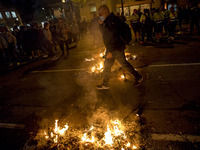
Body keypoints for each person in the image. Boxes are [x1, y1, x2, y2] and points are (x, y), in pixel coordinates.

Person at [96, 5, 143, 89]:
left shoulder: (112, 21)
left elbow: (113, 37)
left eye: (100, 14)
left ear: (105, 12)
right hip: (116, 47)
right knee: (120, 64)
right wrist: (101, 24)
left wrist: (110, 51)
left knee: (109, 65)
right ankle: (138, 77)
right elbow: (105, 33)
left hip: (114, 48)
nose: (99, 16)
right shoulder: (109, 20)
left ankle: (105, 84)